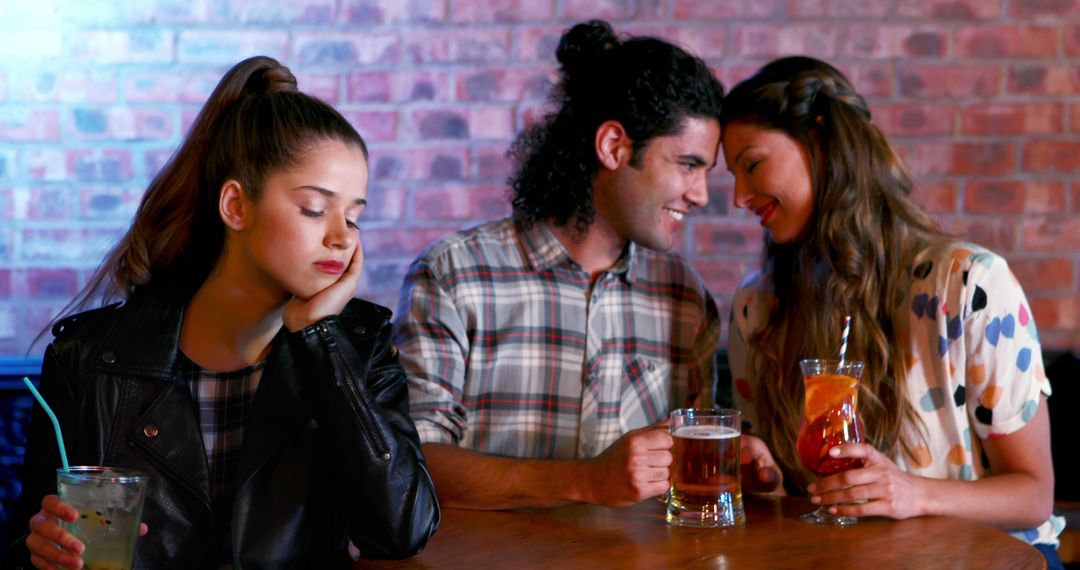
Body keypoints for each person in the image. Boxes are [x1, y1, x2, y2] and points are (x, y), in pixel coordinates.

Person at [4, 56, 439, 569]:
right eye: (315, 210)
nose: (342, 236)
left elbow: (401, 531)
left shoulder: (359, 349)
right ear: (236, 206)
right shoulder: (89, 360)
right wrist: (40, 551)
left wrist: (320, 337)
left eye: (354, 216)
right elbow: (30, 539)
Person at [393, 19, 782, 511]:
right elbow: (413, 465)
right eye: (687, 165)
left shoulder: (684, 296)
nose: (702, 194)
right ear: (614, 147)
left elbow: (675, 472)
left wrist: (728, 463)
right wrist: (585, 481)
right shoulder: (455, 275)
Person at [721, 55, 1064, 566]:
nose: (738, 197)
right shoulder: (757, 307)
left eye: (751, 165)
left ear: (819, 140)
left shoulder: (969, 283)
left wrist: (913, 494)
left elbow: (1033, 495)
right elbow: (795, 497)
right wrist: (767, 480)